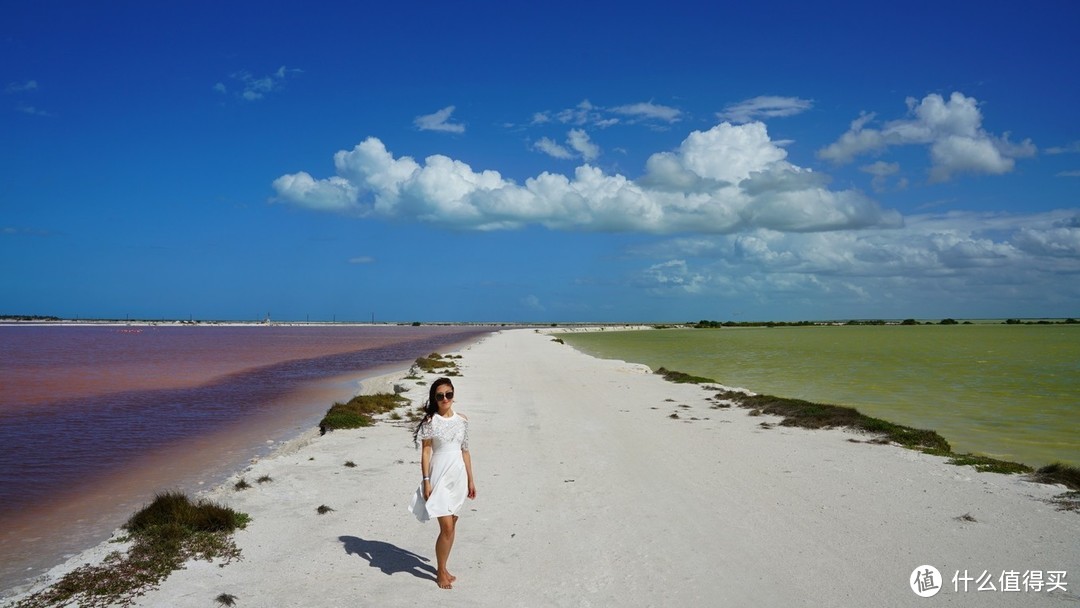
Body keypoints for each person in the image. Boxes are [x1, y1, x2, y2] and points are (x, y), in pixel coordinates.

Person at [408, 377, 476, 589]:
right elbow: (426, 452)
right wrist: (426, 481)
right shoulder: (430, 422)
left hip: (458, 477)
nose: (445, 399)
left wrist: (471, 480)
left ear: (453, 395)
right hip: (439, 476)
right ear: (435, 399)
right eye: (440, 396)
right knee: (446, 527)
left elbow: (465, 451)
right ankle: (439, 571)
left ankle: (444, 567)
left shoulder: (463, 420)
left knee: (452, 524)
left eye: (448, 394)